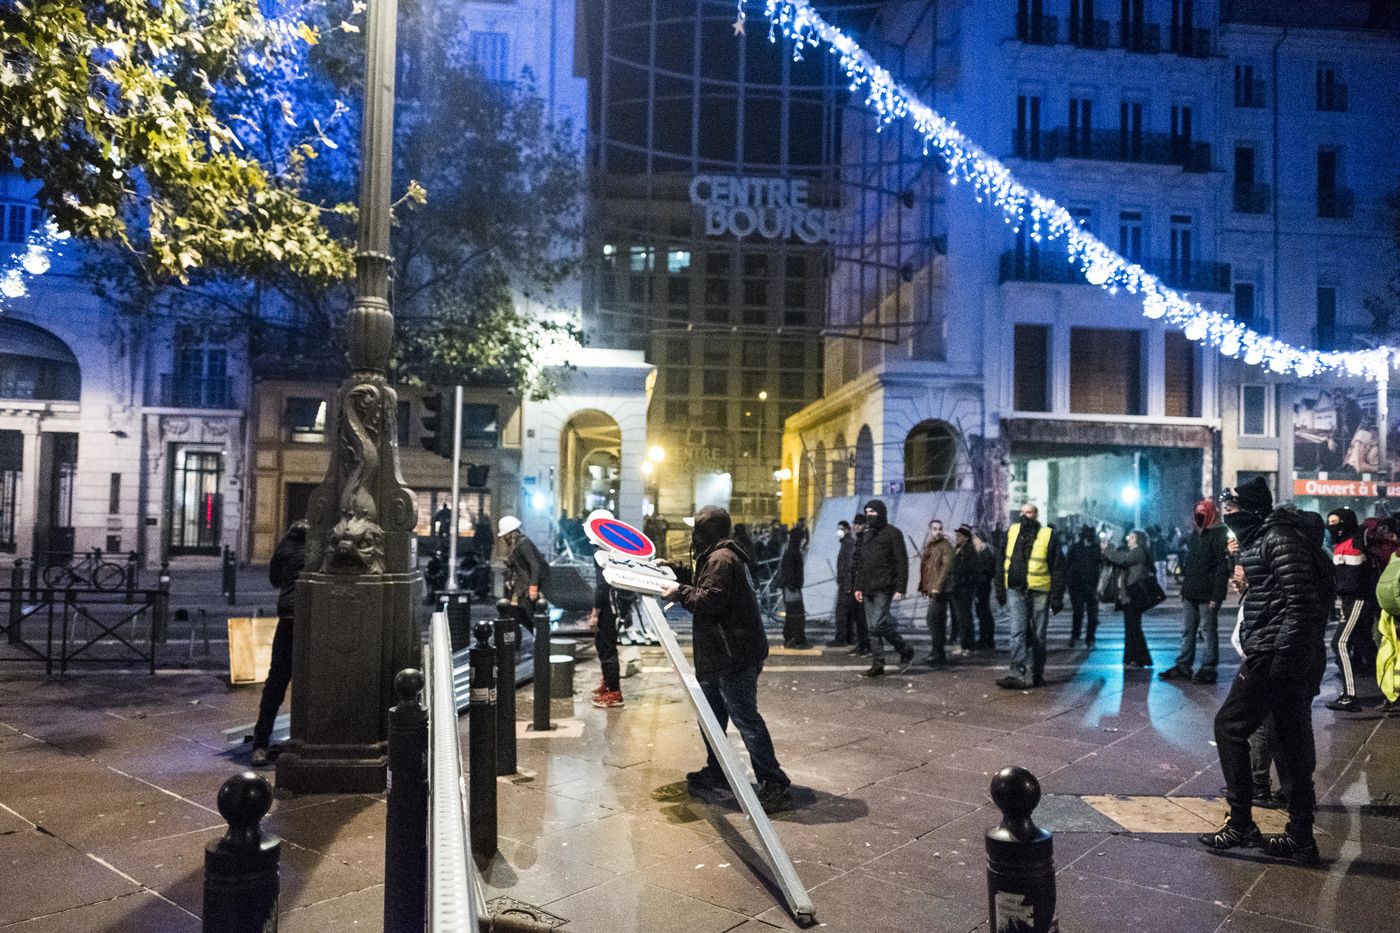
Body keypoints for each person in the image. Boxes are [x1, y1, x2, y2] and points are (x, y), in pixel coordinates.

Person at [1199, 477, 1331, 864]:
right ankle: (1300, 836)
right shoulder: (1264, 538)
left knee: (1230, 726)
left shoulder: (1278, 539)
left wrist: (1279, 658)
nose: (1228, 517)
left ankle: (1241, 822)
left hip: (1278, 654)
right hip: (1284, 652)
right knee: (1288, 742)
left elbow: (1301, 602)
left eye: (1233, 510)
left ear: (1253, 510)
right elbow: (1275, 595)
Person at [659, 506, 791, 814]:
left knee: (746, 719)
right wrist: (676, 572)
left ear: (706, 532)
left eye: (696, 529)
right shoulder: (716, 556)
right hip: (719, 655)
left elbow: (709, 600)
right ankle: (717, 770)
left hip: (734, 657)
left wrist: (679, 593)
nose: (692, 535)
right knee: (712, 717)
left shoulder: (721, 559)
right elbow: (704, 583)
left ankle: (775, 783)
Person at [251, 521, 308, 766]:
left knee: (276, 682)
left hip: (287, 618)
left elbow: (274, 580)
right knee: (313, 682)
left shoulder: (284, 547)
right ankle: (308, 739)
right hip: (309, 619)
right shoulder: (316, 548)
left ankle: (260, 743)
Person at [1162, 499, 1231, 683]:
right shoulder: (1195, 535)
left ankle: (1208, 668)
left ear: (1211, 514)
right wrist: (1184, 590)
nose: (1199, 515)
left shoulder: (1219, 535)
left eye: (1203, 512)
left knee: (1208, 631)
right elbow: (1191, 564)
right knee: (1188, 630)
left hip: (1208, 594)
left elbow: (1222, 568)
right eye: (1197, 512)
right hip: (1191, 591)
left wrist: (1217, 596)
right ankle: (1184, 665)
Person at [995, 503, 1064, 689]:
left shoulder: (1047, 534)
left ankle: (1037, 673)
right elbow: (1001, 561)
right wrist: (1000, 587)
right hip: (1016, 589)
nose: (1024, 515)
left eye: (1029, 512)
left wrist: (1057, 596)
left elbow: (1057, 566)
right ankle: (1017, 671)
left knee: (1039, 636)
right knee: (1017, 632)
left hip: (1039, 590)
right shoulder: (1012, 532)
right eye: (1022, 512)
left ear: (1036, 514)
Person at [855, 499, 914, 677]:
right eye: (867, 512)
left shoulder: (893, 533)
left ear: (881, 513)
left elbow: (902, 562)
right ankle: (878, 664)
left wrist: (901, 588)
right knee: (872, 628)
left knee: (877, 624)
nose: (869, 515)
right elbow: (862, 563)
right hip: (867, 587)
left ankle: (904, 648)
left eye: (872, 512)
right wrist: (858, 587)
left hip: (884, 586)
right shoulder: (867, 535)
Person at [1325, 507, 1376, 712]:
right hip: (1350, 601)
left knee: (1340, 643)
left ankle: (1350, 695)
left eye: (1335, 522)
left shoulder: (1353, 544)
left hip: (1357, 601)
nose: (1331, 527)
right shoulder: (1343, 544)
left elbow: (1353, 581)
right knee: (1364, 644)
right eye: (1329, 523)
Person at [1103, 530, 1155, 669]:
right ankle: (1133, 657)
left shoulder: (1138, 552)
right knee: (1131, 627)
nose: (1129, 540)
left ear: (1138, 540)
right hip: (1129, 595)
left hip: (1134, 595)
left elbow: (1121, 559)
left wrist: (1108, 546)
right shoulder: (1136, 552)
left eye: (1132, 538)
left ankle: (1138, 658)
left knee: (1133, 628)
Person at [917, 518, 955, 664]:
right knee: (936, 620)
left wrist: (937, 587)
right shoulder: (931, 546)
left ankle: (938, 653)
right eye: (935, 529)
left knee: (934, 619)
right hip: (934, 589)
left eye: (940, 528)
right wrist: (924, 586)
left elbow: (946, 569)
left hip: (941, 590)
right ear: (930, 530)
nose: (938, 531)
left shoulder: (945, 546)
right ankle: (937, 652)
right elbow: (927, 569)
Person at [499, 515, 546, 631]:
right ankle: (519, 640)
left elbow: (535, 565)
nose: (503, 538)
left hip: (526, 588)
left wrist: (533, 588)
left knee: (528, 617)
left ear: (511, 533)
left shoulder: (523, 543)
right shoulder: (515, 545)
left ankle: (540, 638)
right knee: (515, 615)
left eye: (505, 534)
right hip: (519, 587)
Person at [590, 555, 625, 709]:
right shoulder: (612, 552)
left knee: (606, 648)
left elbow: (602, 585)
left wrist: (594, 614)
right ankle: (608, 683)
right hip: (614, 604)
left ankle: (615, 692)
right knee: (603, 645)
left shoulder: (601, 555)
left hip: (609, 607)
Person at [1065, 524, 1101, 649]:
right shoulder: (1076, 548)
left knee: (1092, 613)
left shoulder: (1095, 548)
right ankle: (1076, 635)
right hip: (1077, 584)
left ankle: (1089, 637)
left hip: (1090, 584)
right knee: (1078, 612)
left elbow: (1100, 565)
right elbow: (1068, 565)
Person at [779, 524, 810, 648]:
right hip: (792, 589)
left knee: (791, 614)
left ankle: (789, 638)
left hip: (790, 588)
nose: (804, 541)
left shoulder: (792, 552)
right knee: (797, 615)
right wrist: (794, 587)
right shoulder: (793, 553)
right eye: (802, 538)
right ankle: (798, 640)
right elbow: (790, 573)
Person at [949, 526, 979, 654]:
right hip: (958, 588)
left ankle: (967, 646)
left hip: (964, 589)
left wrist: (961, 582)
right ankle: (966, 645)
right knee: (962, 618)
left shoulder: (969, 551)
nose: (957, 538)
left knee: (964, 618)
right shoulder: (958, 550)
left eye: (959, 536)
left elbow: (970, 570)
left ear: (966, 538)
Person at [847, 514, 873, 656]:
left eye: (859, 524)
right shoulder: (858, 540)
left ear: (864, 525)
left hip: (862, 585)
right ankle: (862, 644)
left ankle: (867, 646)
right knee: (858, 617)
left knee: (863, 617)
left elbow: (863, 565)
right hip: (855, 583)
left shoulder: (865, 540)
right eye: (855, 524)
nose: (856, 527)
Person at [828, 520, 856, 648]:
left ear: (847, 530)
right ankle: (849, 638)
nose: (839, 531)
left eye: (841, 529)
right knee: (848, 613)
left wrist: (847, 585)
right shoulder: (847, 542)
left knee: (841, 612)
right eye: (838, 528)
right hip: (846, 583)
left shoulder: (848, 543)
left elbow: (849, 565)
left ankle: (840, 639)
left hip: (846, 584)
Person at [971, 529, 998, 651]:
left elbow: (987, 569)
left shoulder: (985, 552)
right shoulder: (984, 551)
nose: (973, 541)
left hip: (982, 585)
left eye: (975, 538)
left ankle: (986, 639)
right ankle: (986, 638)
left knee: (983, 612)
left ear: (980, 539)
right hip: (982, 584)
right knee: (983, 612)